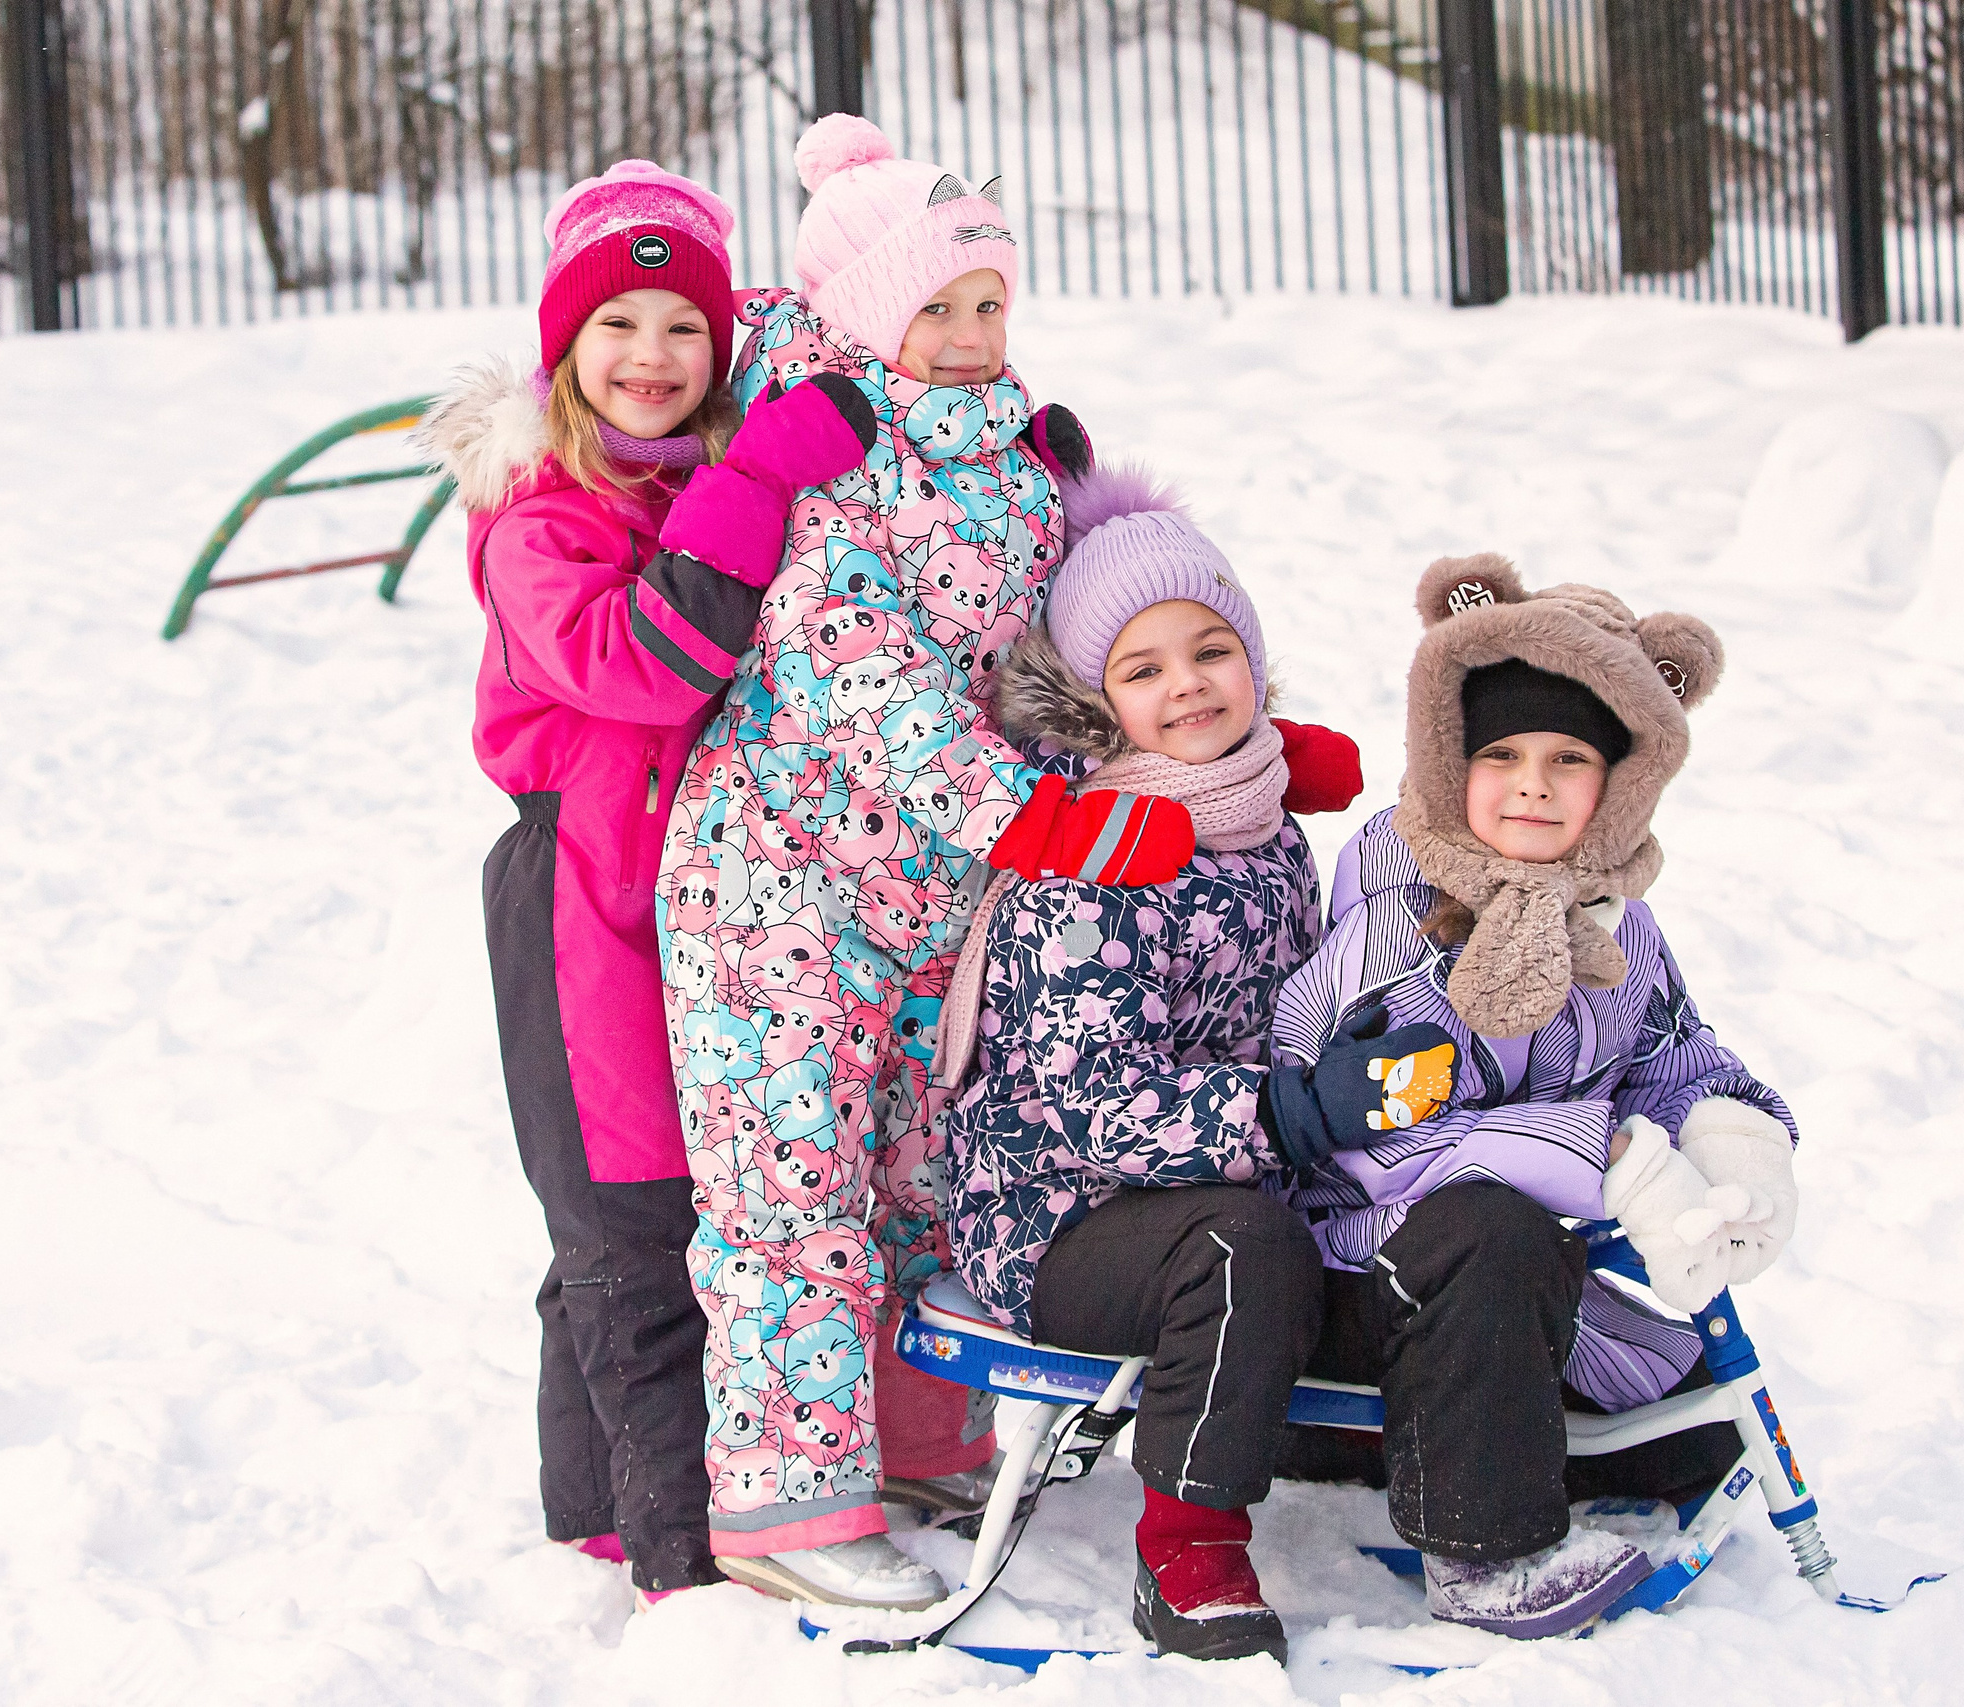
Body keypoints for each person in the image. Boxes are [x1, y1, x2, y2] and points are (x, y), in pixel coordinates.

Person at [651, 115, 1211, 1610]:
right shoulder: (830, 452)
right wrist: (1023, 814)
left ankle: (904, 1434)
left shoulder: (1027, 459)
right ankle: (785, 1506)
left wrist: (1199, 756)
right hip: (781, 891)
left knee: (919, 1171)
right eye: (935, 307)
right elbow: (862, 675)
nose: (967, 335)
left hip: (942, 904)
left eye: (988, 304)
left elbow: (1068, 648)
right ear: (861, 312)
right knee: (793, 1185)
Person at [422, 158, 874, 1604]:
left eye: (683, 328)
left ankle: (596, 1511)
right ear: (568, 347)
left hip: (707, 888)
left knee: (661, 1204)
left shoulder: (683, 479)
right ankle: (680, 1558)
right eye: (618, 325)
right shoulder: (537, 514)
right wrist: (752, 479)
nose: (653, 360)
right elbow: (644, 661)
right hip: (581, 892)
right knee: (626, 1216)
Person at [1266, 556, 1802, 1639]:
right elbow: (1384, 1144)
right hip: (1349, 1285)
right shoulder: (1396, 918)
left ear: (1622, 785)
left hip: (1498, 1308)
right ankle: (1484, 1551)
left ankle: (1507, 1440)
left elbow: (1669, 1051)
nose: (1532, 785)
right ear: (1449, 762)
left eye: (1570, 760)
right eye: (1500, 755)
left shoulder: (1608, 918)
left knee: (1699, 1440)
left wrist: (1736, 1147)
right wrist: (1601, 1154)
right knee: (1489, 1226)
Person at [936, 468, 1332, 1663]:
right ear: (1098, 703)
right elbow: (1102, 1109)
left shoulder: (1265, 821)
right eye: (1143, 670)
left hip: (1220, 1164)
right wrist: (1292, 1112)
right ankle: (1189, 1547)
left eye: (1210, 650)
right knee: (1241, 1244)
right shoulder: (1098, 855)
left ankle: (1373, 1424)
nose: (1187, 687)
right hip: (1060, 1212)